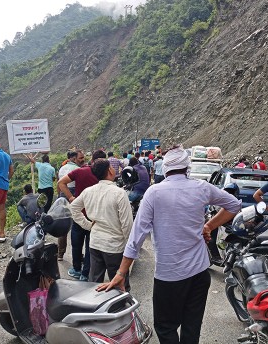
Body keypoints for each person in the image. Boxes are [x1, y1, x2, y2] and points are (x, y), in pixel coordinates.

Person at [97, 145, 241, 344]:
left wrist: (121, 273)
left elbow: (136, 237)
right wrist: (209, 226)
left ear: (164, 168)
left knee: (166, 328)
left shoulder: (154, 193)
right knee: (192, 328)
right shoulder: (202, 187)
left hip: (169, 277)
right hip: (199, 273)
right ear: (186, 167)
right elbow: (234, 204)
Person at [70, 159, 133, 291]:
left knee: (95, 285)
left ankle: (95, 309)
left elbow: (73, 208)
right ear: (110, 170)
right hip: (114, 247)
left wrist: (87, 225)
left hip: (95, 243)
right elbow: (127, 225)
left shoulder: (88, 191)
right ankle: (122, 309)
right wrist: (130, 246)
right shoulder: (119, 193)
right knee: (119, 285)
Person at [59, 150, 107, 281]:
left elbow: (61, 183)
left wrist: (71, 198)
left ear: (92, 159)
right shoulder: (103, 175)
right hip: (94, 216)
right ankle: (85, 274)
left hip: (79, 214)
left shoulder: (79, 172)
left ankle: (76, 269)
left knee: (76, 243)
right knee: (90, 246)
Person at [56, 150, 84, 261]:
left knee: (63, 226)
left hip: (62, 196)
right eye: (80, 158)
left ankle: (60, 254)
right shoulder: (77, 169)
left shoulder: (62, 168)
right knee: (77, 227)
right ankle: (77, 255)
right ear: (73, 158)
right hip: (73, 195)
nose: (82, 160)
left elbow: (59, 184)